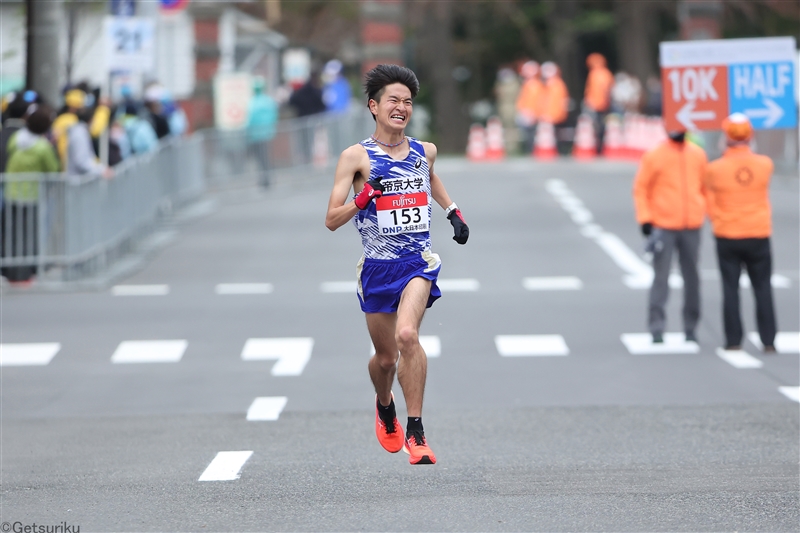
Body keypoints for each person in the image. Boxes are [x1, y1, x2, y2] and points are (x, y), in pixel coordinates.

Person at [324, 64, 469, 465]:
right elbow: (332, 219)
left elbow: (430, 176)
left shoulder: (425, 150)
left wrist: (453, 210)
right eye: (393, 100)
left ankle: (417, 431)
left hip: (417, 262)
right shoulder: (356, 157)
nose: (401, 107)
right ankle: (384, 403)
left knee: (408, 336)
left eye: (407, 102)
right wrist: (364, 196)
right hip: (377, 268)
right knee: (386, 358)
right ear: (374, 106)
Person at [704, 114, 777, 353]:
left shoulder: (715, 169)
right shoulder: (764, 164)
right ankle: (768, 340)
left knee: (730, 289)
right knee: (763, 287)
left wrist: (717, 218)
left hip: (727, 234)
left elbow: (708, 198)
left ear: (726, 137)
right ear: (750, 135)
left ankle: (733, 340)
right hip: (758, 233)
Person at [633, 128, 708, 344]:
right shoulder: (655, 155)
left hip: (691, 224)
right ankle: (657, 326)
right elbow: (641, 188)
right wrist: (645, 219)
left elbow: (705, 187)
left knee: (692, 278)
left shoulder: (697, 154)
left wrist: (709, 213)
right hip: (663, 225)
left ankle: (691, 326)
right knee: (661, 278)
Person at [1, 105, 60, 284]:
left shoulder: (16, 139)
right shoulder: (42, 147)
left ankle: (10, 273)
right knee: (28, 236)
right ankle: (25, 275)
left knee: (10, 235)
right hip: (31, 196)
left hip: (10, 193)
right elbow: (53, 169)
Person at [246, 77, 279, 187]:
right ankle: (268, 177)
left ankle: (264, 179)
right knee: (266, 157)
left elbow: (249, 120)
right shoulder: (268, 101)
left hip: (255, 135)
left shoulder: (253, 102)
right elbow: (274, 116)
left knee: (260, 159)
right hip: (267, 134)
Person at [584, 53, 614, 153]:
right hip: (603, 104)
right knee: (602, 126)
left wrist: (589, 100)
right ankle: (601, 147)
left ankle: (599, 148)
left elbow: (591, 90)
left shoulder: (594, 74)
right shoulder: (606, 73)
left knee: (598, 127)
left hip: (596, 105)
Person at [540, 62, 570, 154]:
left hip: (554, 116)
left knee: (557, 135)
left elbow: (558, 102)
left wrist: (553, 115)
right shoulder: (546, 85)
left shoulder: (557, 85)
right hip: (548, 115)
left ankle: (561, 152)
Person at [515, 61, 543, 154]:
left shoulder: (535, 84)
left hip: (532, 113)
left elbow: (536, 101)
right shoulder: (527, 83)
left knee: (533, 134)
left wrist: (533, 112)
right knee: (528, 134)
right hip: (527, 111)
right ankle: (530, 150)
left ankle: (532, 151)